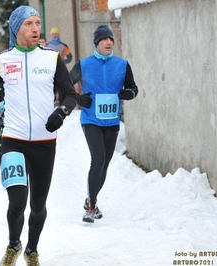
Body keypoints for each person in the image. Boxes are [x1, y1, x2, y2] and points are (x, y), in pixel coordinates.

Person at [0, 5, 76, 266]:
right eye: (29, 24)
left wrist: (62, 112)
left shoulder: (51, 59)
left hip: (45, 142)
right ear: (16, 28)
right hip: (13, 140)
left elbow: (70, 94)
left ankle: (31, 250)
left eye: (37, 23)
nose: (36, 29)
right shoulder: (2, 61)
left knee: (38, 207)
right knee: (17, 202)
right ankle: (14, 244)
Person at [69, 25, 138, 223]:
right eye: (104, 39)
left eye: (111, 39)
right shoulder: (83, 65)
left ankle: (92, 200)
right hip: (91, 120)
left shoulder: (122, 65)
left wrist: (130, 93)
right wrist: (79, 98)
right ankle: (90, 207)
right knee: (98, 159)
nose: (109, 42)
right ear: (97, 43)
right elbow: (64, 85)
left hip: (112, 122)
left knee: (105, 165)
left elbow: (134, 88)